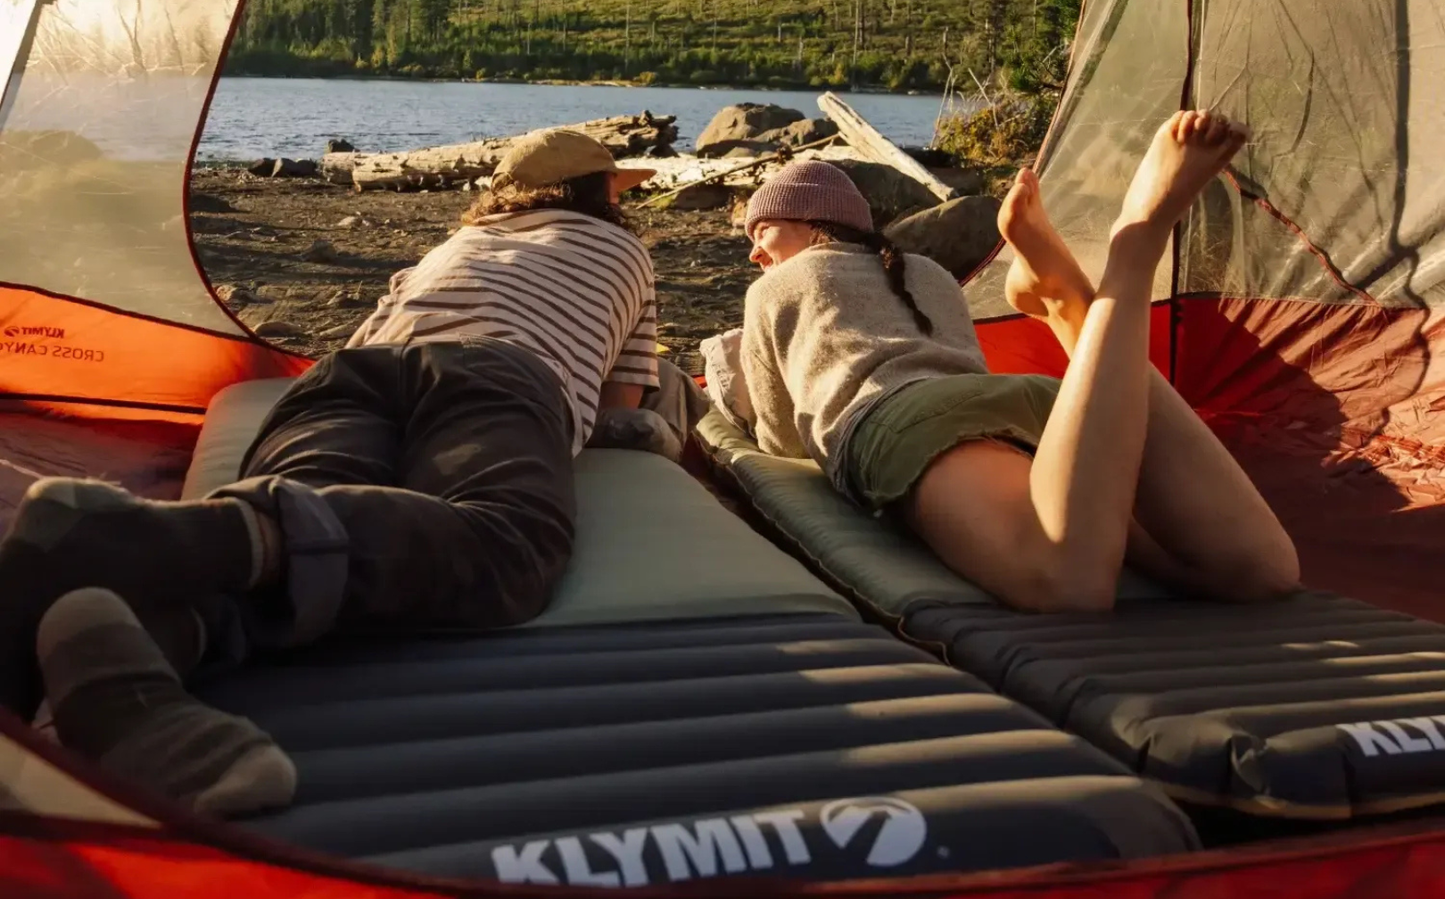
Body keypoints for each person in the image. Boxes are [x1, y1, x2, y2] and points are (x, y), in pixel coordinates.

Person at [0, 128, 662, 816]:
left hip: (348, 377)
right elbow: (622, 403)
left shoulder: (455, 245)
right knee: (506, 543)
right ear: (604, 192)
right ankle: (135, 540)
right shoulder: (624, 249)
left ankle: (128, 690)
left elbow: (371, 338)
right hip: (494, 372)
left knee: (302, 525)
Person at [710, 112, 1299, 615]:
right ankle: (1070, 306)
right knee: (1252, 570)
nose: (756, 250)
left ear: (813, 224)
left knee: (1065, 579)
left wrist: (729, 395)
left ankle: (1135, 244)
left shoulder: (777, 285)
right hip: (1030, 406)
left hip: (904, 424)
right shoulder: (927, 272)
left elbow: (784, 438)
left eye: (764, 231)